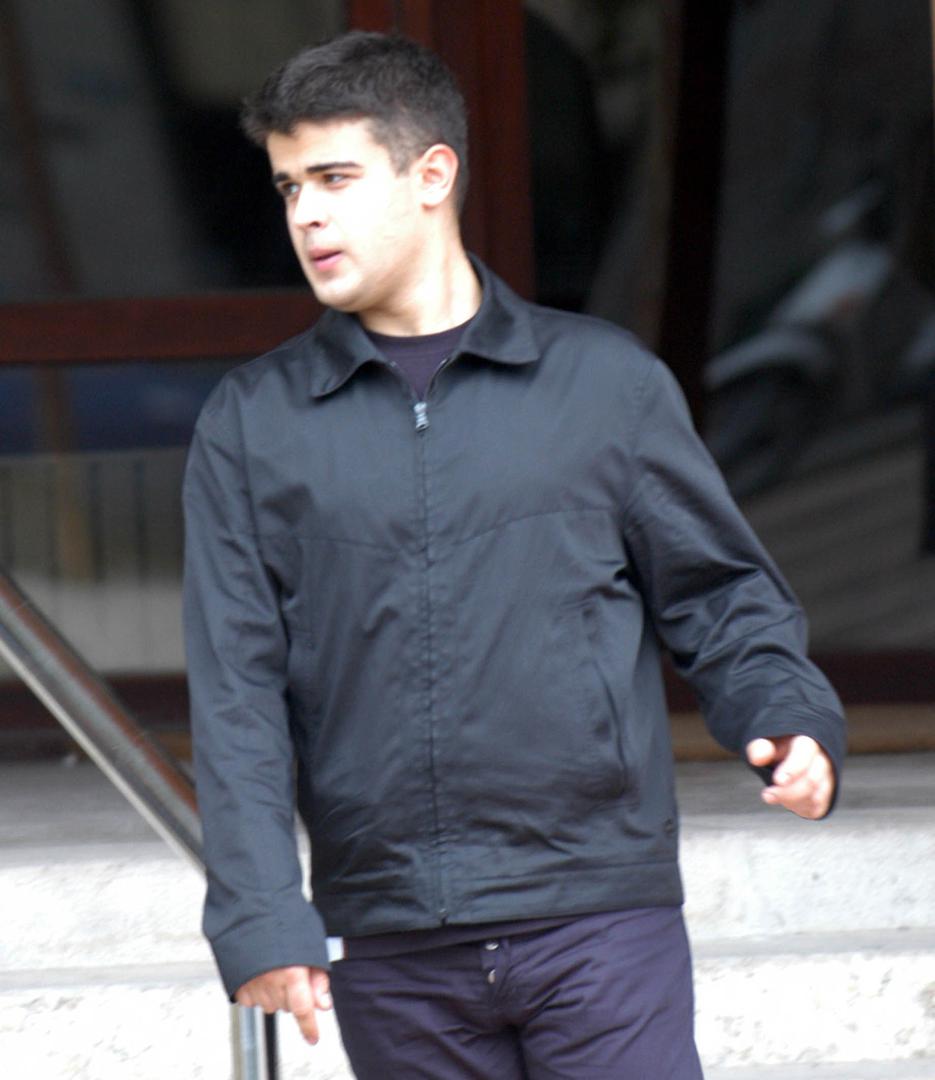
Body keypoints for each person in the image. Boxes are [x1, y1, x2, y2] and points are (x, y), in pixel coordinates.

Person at [182, 30, 846, 1079]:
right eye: (288, 186)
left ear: (432, 174)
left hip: (597, 915)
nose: (304, 213)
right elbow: (236, 694)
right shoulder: (252, 423)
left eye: (335, 178)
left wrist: (787, 712)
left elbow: (719, 596)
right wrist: (261, 914)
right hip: (393, 937)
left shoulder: (603, 386)